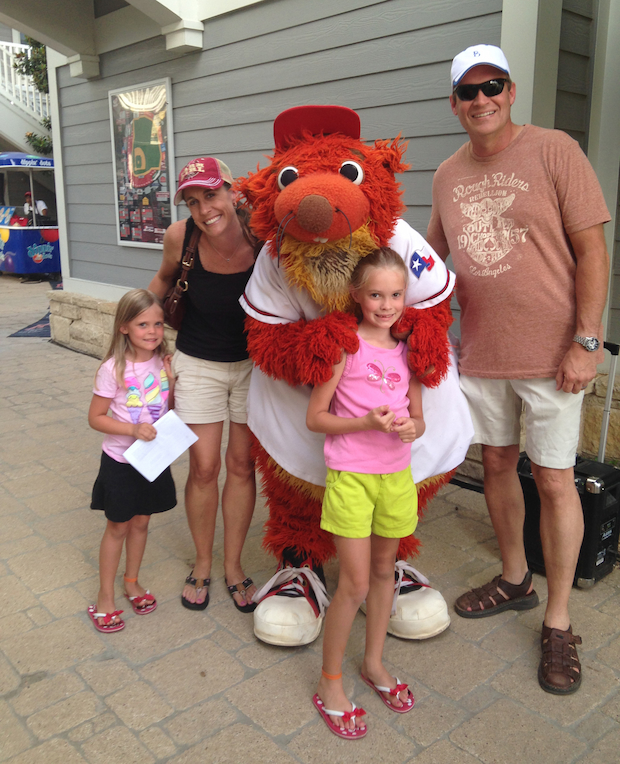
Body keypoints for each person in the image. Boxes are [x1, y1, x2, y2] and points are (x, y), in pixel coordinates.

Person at [426, 44, 611, 694]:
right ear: (455, 103)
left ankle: (559, 622)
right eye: (468, 91)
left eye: (492, 87)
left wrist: (587, 341)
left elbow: (592, 249)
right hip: (481, 354)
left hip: (555, 356)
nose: (481, 100)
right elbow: (433, 267)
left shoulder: (554, 149)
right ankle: (514, 578)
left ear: (509, 91)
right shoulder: (447, 175)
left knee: (556, 482)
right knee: (497, 466)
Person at [306, 248, 422, 738]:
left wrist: (411, 427)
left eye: (396, 294)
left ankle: (373, 664)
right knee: (352, 583)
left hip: (396, 478)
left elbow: (419, 417)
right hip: (351, 477)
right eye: (376, 294)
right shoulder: (344, 345)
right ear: (356, 295)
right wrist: (363, 422)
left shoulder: (408, 351)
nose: (386, 304)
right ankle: (330, 682)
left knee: (382, 572)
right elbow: (315, 418)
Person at [148, 157, 259, 613]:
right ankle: (202, 563)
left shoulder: (262, 231)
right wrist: (145, 340)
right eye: (193, 202)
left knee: (242, 466)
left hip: (255, 366)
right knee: (204, 468)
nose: (204, 209)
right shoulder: (181, 236)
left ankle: (233, 566)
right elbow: (162, 280)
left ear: (233, 191)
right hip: (197, 362)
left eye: (211, 195)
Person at [87, 289, 177, 633]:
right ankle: (104, 595)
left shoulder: (163, 361)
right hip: (120, 462)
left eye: (157, 323)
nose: (152, 331)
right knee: (118, 526)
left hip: (152, 460)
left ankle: (132, 581)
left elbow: (168, 410)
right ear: (124, 327)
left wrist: (173, 381)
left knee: (142, 523)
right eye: (143, 324)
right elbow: (96, 417)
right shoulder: (113, 368)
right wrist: (131, 429)